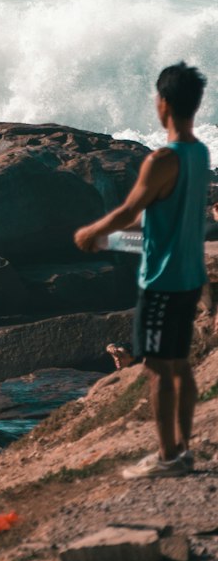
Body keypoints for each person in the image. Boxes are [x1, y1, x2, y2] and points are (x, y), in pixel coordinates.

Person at [75, 62, 209, 479]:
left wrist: (91, 231)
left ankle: (168, 457)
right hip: (189, 277)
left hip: (162, 282)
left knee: (157, 369)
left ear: (163, 103)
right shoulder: (200, 153)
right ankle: (183, 450)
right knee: (181, 365)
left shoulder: (161, 159)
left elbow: (132, 208)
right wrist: (109, 237)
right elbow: (155, 216)